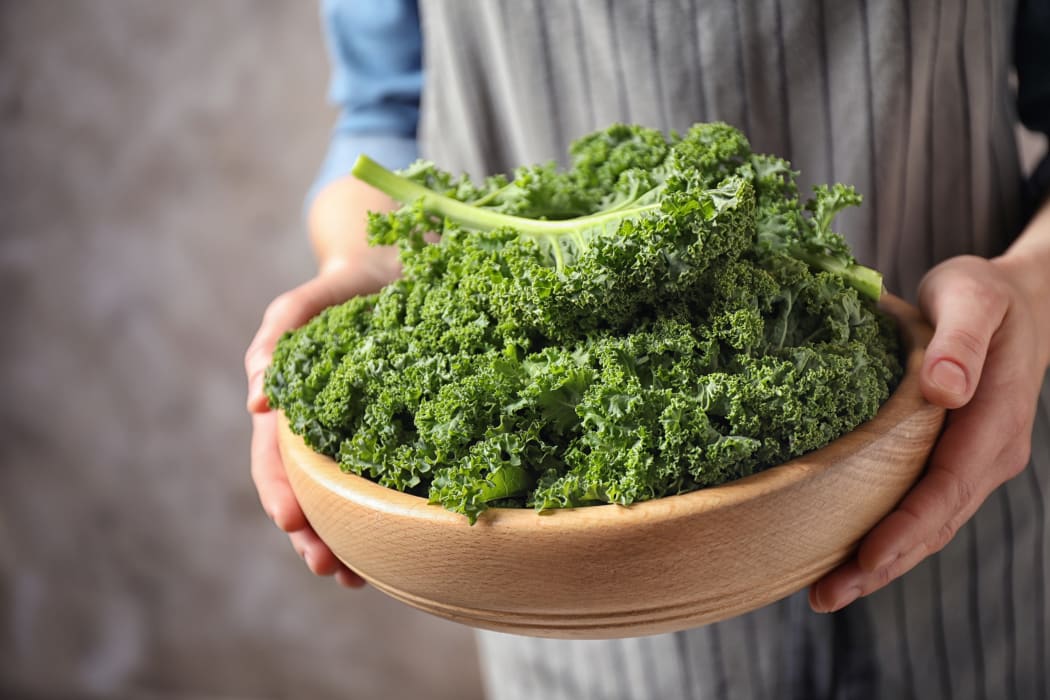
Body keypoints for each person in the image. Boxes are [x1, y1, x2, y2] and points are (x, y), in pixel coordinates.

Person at [245, 1, 1050, 697]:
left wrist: (1030, 287)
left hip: (964, 478)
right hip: (578, 583)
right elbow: (379, 117)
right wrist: (359, 263)